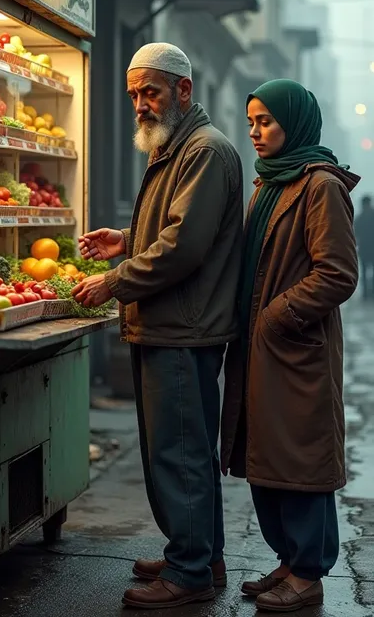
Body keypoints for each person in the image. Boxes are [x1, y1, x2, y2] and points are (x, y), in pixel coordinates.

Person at [72, 42, 243, 609]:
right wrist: (125, 241)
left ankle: (190, 572)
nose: (141, 105)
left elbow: (182, 248)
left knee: (181, 453)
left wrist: (115, 280)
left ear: (183, 91)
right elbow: (173, 232)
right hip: (171, 326)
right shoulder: (175, 146)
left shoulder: (204, 151)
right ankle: (198, 555)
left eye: (151, 92)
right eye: (134, 95)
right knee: (179, 449)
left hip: (182, 329)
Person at [221, 79, 359, 614]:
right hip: (262, 348)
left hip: (295, 348)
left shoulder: (319, 185)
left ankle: (308, 573)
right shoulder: (271, 182)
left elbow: (338, 273)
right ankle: (288, 559)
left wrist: (279, 314)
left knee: (302, 462)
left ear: (294, 123)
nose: (255, 132)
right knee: (265, 457)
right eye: (251, 121)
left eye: (266, 122)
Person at [354, 195, 374, 299]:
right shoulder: (361, 218)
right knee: (366, 271)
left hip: (365, 249)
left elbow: (355, 234)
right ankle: (367, 293)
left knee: (365, 271)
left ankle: (367, 294)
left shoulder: (359, 218)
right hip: (368, 249)